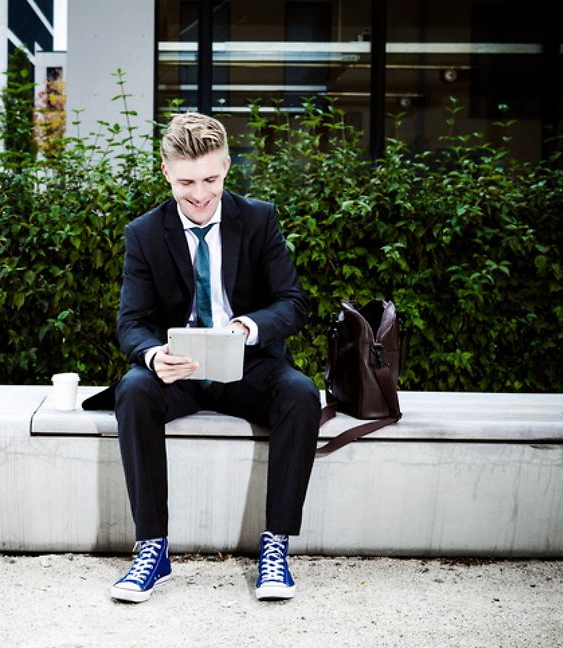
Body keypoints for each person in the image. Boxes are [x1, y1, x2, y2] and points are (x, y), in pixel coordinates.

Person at [108, 112, 322, 603]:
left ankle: (276, 546)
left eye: (211, 178)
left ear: (227, 166)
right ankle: (152, 548)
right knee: (135, 389)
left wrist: (247, 327)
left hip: (249, 366)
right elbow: (130, 323)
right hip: (179, 375)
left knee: (301, 393)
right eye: (186, 182)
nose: (200, 194)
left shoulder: (260, 218)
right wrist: (153, 354)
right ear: (165, 172)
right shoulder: (144, 233)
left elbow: (292, 302)